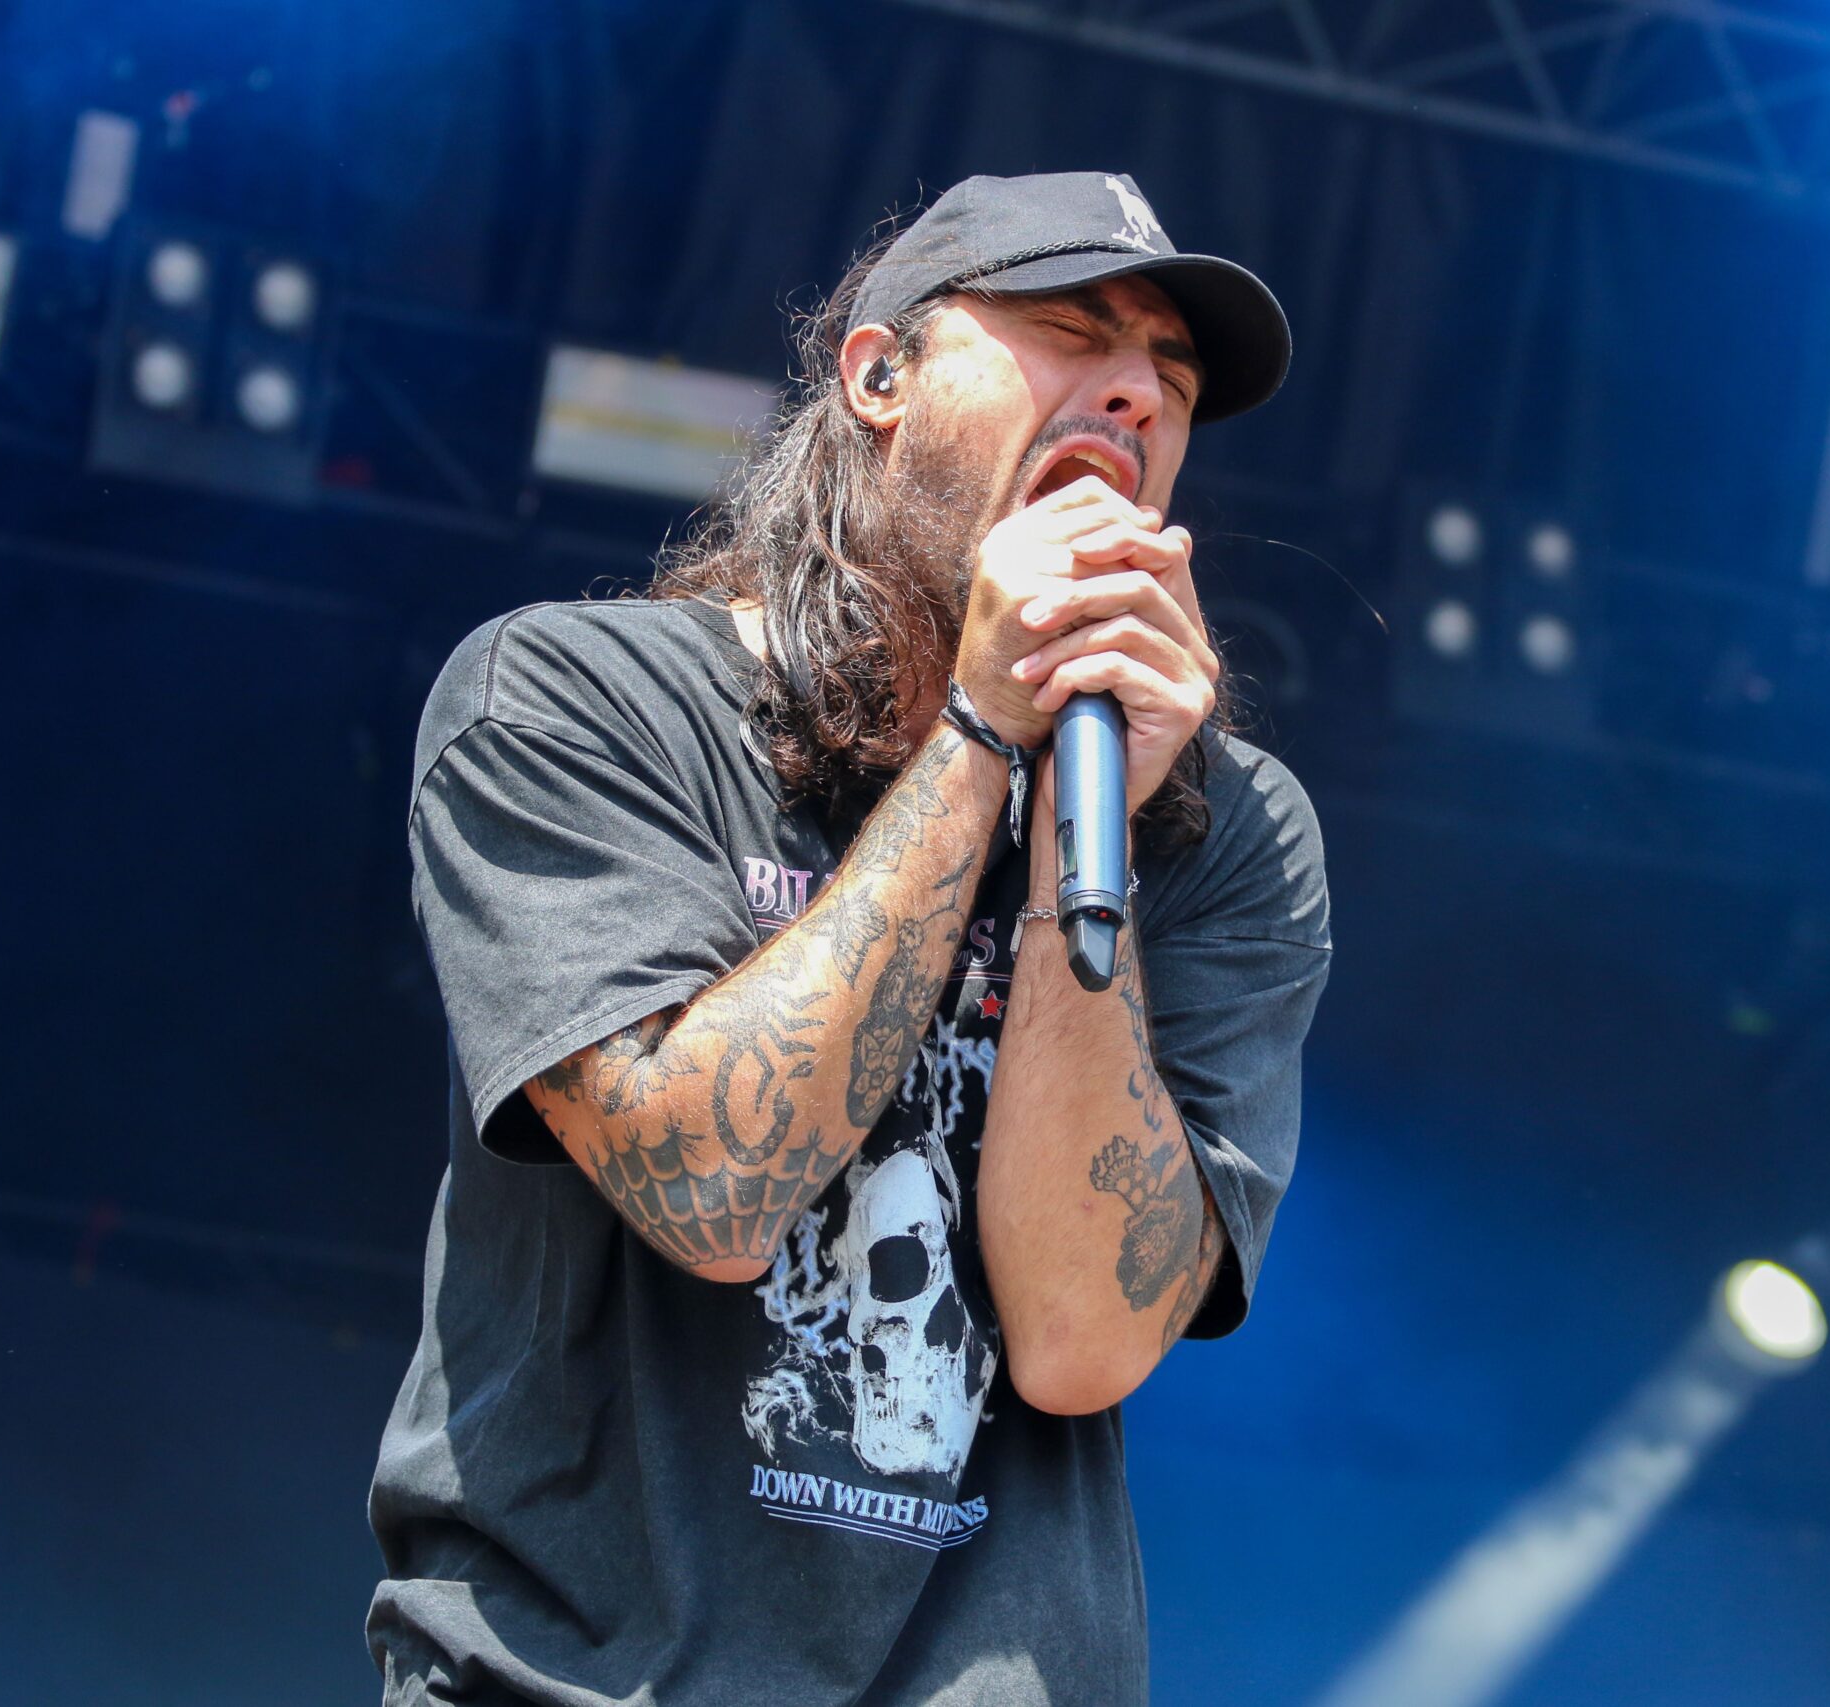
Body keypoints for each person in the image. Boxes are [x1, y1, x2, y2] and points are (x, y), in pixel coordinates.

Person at [364, 171, 1333, 1706]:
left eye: (1172, 372)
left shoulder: (1226, 826)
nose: (1138, 392)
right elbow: (712, 1192)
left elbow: (1079, 1339)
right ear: (879, 375)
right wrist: (982, 732)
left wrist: (1069, 831)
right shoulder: (573, 701)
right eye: (1074, 329)